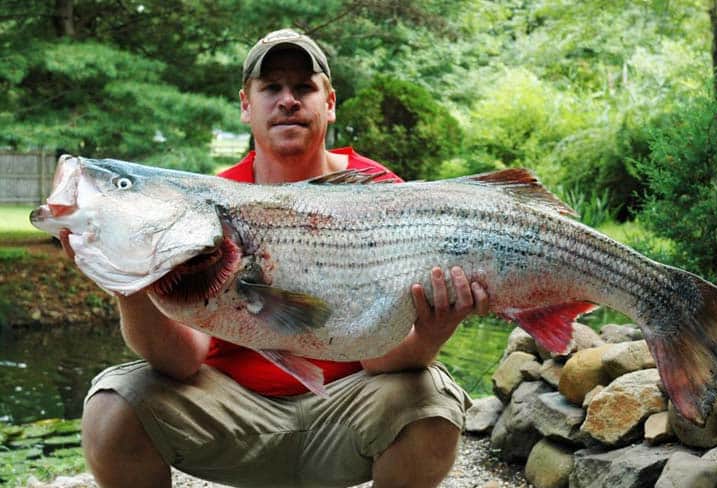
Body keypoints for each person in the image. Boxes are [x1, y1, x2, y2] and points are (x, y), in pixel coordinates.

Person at [76, 29, 489, 488]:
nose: (288, 100)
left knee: (430, 402)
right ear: (246, 105)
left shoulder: (380, 194)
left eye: (304, 88)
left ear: (329, 102)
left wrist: (433, 331)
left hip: (346, 416)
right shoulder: (202, 207)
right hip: (233, 422)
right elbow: (182, 361)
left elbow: (381, 361)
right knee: (113, 405)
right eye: (271, 88)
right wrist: (130, 288)